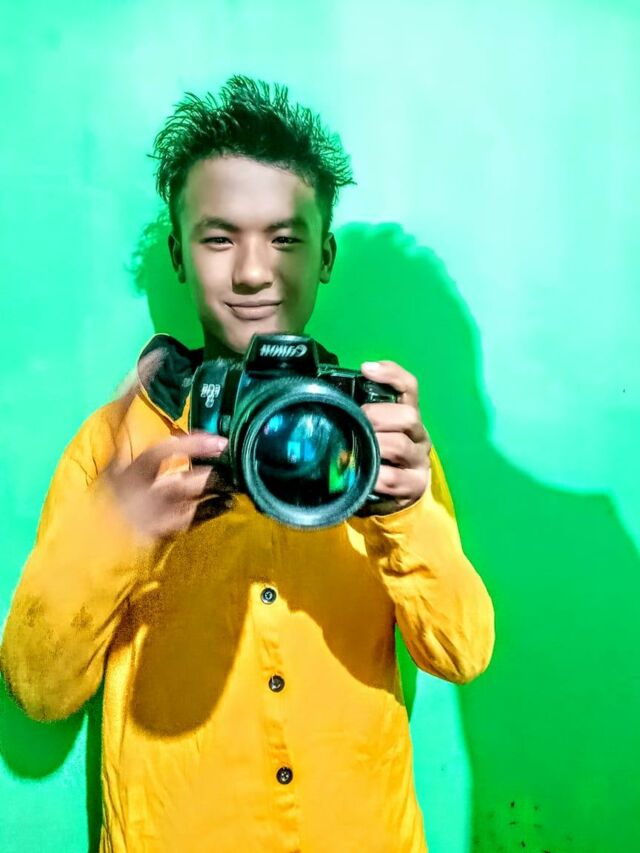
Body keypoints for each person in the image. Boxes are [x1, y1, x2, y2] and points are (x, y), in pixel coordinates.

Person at [0, 75, 494, 852]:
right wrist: (117, 536)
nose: (254, 272)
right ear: (179, 252)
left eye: (286, 238)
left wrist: (405, 512)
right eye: (219, 238)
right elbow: (38, 688)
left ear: (325, 254)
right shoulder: (117, 444)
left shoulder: (375, 437)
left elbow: (462, 652)